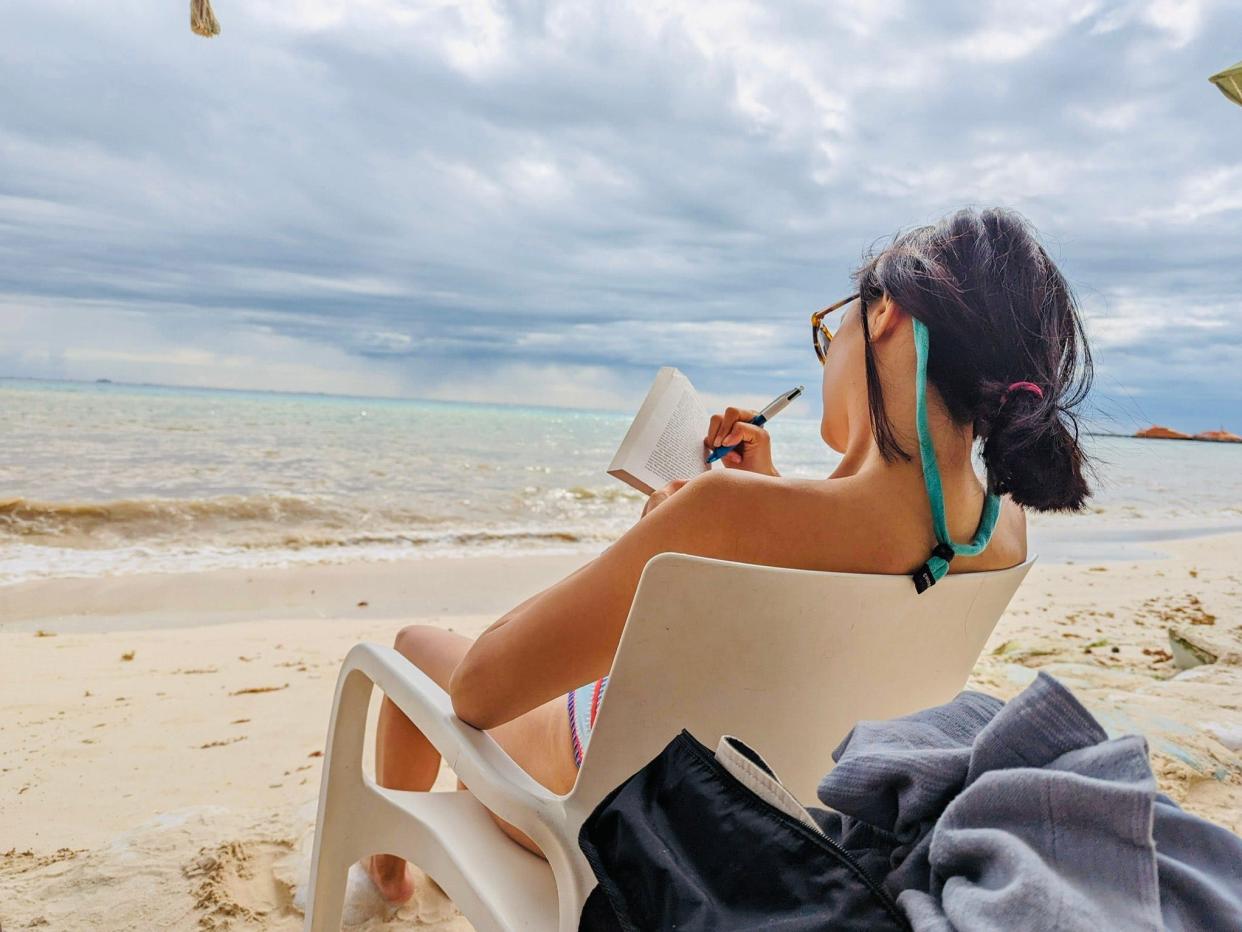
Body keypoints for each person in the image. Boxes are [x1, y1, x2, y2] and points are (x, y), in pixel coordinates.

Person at [365, 206, 1093, 903]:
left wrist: (657, 537)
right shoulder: (1002, 533)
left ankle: (389, 881)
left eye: (828, 330)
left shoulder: (721, 516)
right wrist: (764, 495)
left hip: (619, 832)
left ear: (883, 314)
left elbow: (483, 690)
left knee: (408, 651)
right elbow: (851, 589)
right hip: (797, 835)